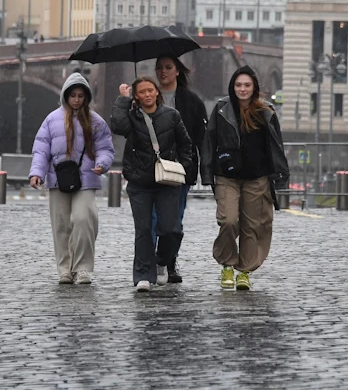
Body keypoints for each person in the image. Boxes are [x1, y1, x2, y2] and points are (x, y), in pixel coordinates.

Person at [201, 66, 289, 291]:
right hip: (227, 175)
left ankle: (244, 271)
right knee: (229, 220)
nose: (242, 89)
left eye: (247, 85)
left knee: (253, 225)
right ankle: (227, 264)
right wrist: (207, 173)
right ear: (233, 86)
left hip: (257, 176)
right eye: (239, 85)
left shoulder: (266, 111)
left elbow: (276, 146)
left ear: (254, 87)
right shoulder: (221, 109)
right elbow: (209, 141)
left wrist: (280, 175)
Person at [29, 73, 115, 285]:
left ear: (86, 97)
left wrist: (102, 164)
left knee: (83, 219)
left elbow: (106, 148)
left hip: (86, 178)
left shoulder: (96, 122)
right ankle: (65, 268)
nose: (76, 100)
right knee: (61, 225)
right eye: (73, 95)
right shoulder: (51, 120)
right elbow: (41, 149)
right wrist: (36, 173)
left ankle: (83, 267)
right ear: (65, 96)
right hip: (58, 178)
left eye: (80, 96)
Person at [110, 76, 193, 292]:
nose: (147, 94)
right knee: (144, 230)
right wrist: (123, 99)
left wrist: (183, 166)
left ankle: (161, 261)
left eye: (150, 90)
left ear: (157, 92)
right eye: (142, 92)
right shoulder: (132, 117)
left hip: (167, 180)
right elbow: (117, 126)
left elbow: (185, 144)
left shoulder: (172, 116)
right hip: (139, 181)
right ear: (136, 96)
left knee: (171, 229)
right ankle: (143, 276)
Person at [153, 54, 207, 284]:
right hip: (152, 169)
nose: (162, 72)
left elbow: (201, 138)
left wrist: (203, 170)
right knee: (154, 219)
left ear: (177, 71)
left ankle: (168, 260)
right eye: (159, 68)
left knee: (174, 221)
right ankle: (152, 263)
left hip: (180, 171)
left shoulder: (192, 102)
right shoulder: (147, 96)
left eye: (167, 67)